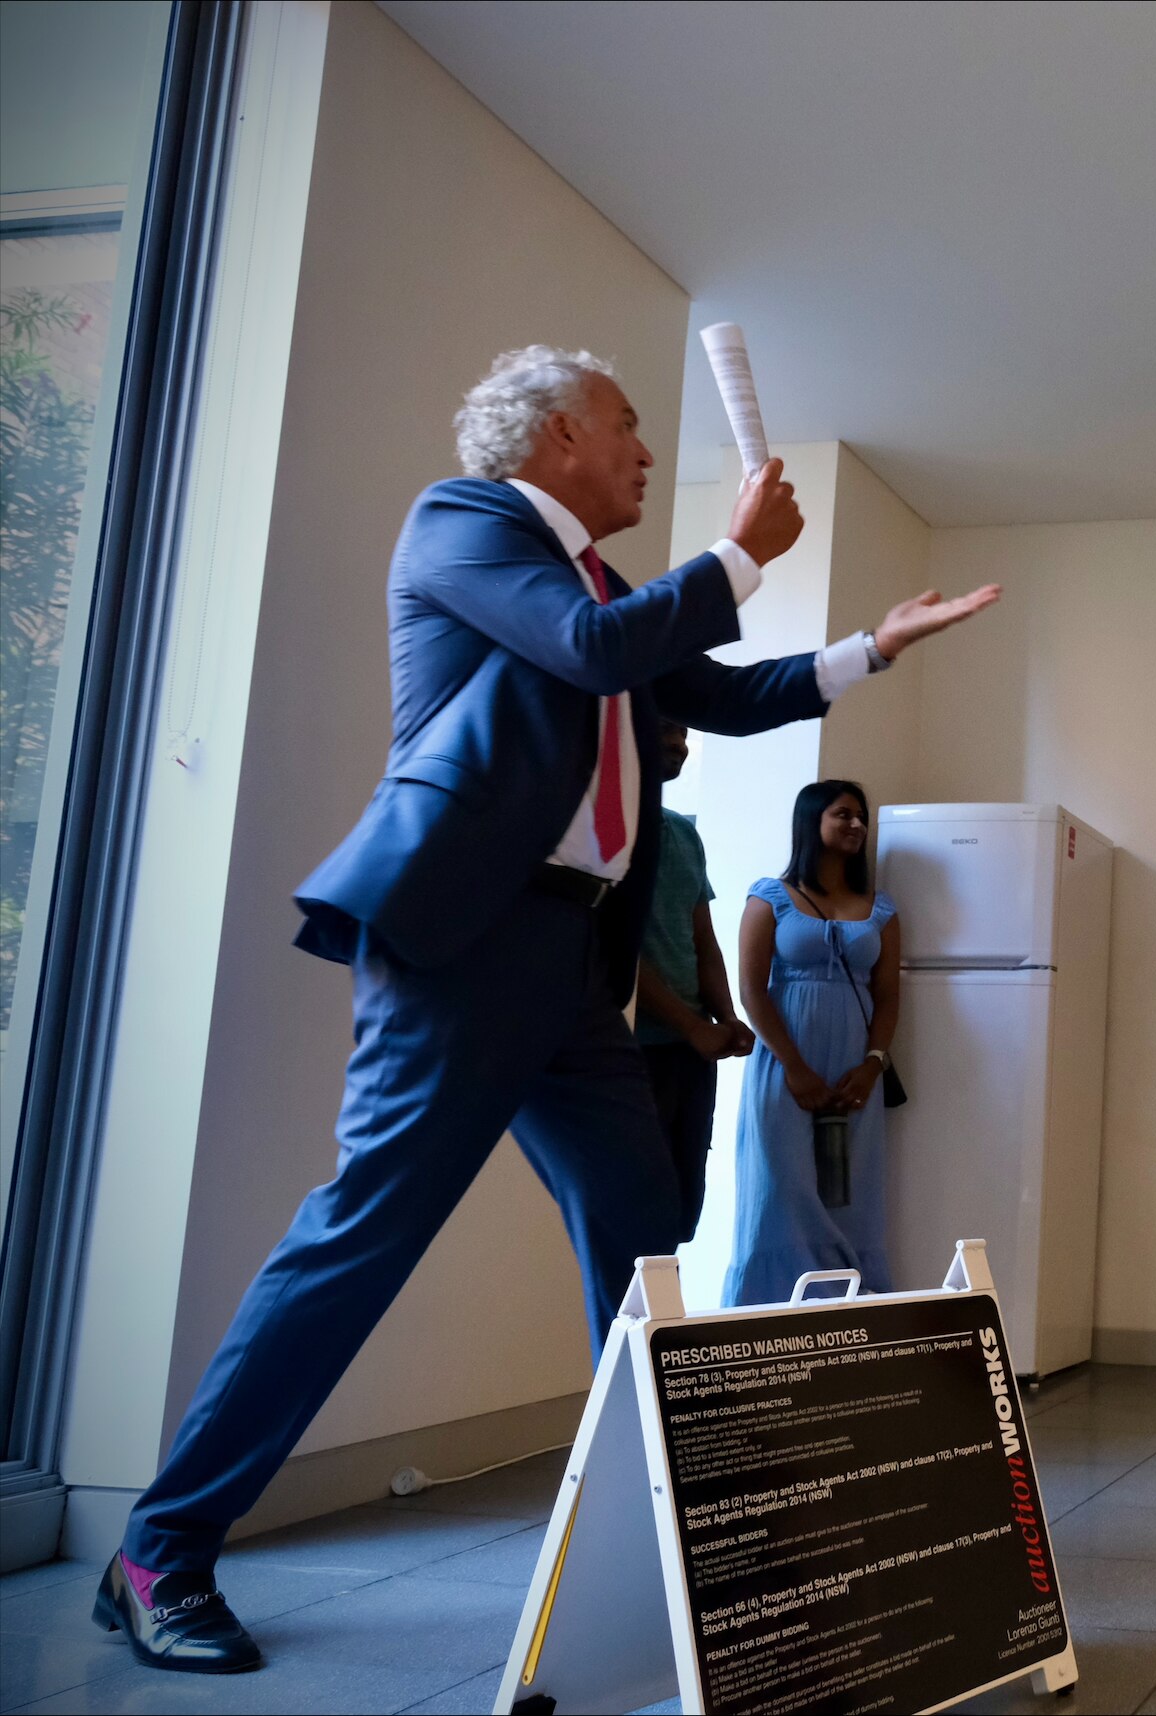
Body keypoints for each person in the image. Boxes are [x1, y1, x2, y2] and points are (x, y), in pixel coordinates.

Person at [95, 348, 998, 1674]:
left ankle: (682, 1528)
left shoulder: (604, 588)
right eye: (630, 429)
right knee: (364, 1237)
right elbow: (590, 652)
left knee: (643, 1239)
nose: (643, 452)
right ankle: (159, 1548)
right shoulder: (466, 524)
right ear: (561, 432)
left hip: (577, 962)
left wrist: (871, 648)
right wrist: (739, 556)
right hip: (464, 940)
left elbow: (719, 693)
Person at [725, 780, 902, 1307]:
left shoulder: (881, 907)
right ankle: (764, 1317)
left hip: (854, 1071)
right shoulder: (770, 896)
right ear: (811, 822)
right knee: (780, 1188)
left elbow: (889, 996)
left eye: (861, 817)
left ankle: (846, 1312)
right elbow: (751, 990)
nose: (856, 825)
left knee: (849, 1190)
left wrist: (872, 1066)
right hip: (784, 1065)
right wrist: (794, 1067)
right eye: (842, 814)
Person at [635, 718, 754, 1237]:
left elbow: (703, 942)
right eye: (665, 731)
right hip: (635, 1051)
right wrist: (690, 1025)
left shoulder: (683, 832)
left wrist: (727, 1018)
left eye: (684, 734)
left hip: (692, 1055)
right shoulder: (606, 834)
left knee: (681, 1214)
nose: (677, 745)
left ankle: (663, 1318)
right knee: (637, 1207)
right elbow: (613, 954)